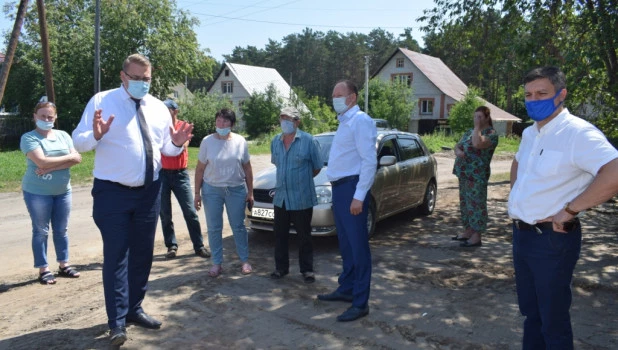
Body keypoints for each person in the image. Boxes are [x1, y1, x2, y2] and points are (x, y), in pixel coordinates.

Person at [72, 54, 194, 346]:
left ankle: (134, 309)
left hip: (149, 191)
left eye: (147, 78)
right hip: (112, 192)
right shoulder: (102, 101)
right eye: (136, 78)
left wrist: (176, 144)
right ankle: (116, 323)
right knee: (117, 255)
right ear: (123, 76)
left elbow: (166, 149)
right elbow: (78, 141)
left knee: (142, 253)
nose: (142, 83)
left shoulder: (158, 109)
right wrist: (96, 135)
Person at [508, 66, 618, 349]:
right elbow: (518, 161)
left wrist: (570, 209)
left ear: (561, 94)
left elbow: (614, 171)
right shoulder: (532, 133)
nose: (534, 100)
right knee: (531, 315)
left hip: (552, 240)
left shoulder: (577, 133)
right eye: (529, 95)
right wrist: (518, 194)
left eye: (542, 93)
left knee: (552, 321)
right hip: (522, 235)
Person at [317, 80, 377, 322]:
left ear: (351, 97)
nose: (334, 99)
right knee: (346, 245)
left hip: (352, 189)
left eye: (337, 94)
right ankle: (347, 289)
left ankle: (360, 302)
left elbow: (369, 161)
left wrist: (359, 196)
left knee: (359, 247)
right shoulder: (345, 122)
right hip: (340, 190)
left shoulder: (361, 120)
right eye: (333, 94)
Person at [21, 100, 82, 285]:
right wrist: (66, 158)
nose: (46, 119)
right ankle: (43, 269)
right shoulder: (29, 138)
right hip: (37, 192)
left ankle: (64, 265)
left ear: (55, 118)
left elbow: (77, 159)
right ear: (35, 117)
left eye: (50, 116)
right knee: (41, 231)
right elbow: (41, 162)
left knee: (61, 230)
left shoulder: (63, 135)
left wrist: (50, 168)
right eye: (42, 116)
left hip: (63, 191)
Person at [194, 108, 254, 278]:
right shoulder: (207, 142)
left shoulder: (240, 141)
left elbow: (247, 168)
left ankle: (244, 260)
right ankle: (217, 263)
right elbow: (199, 169)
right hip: (212, 190)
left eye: (226, 121)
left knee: (238, 226)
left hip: (235, 189)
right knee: (214, 228)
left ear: (232, 124)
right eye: (219, 120)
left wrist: (250, 192)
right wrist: (197, 193)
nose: (221, 124)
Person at [269, 106, 323, 283]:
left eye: (288, 119)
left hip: (301, 197)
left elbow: (316, 167)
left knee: (304, 236)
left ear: (297, 122)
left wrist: (301, 180)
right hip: (281, 198)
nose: (284, 122)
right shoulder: (275, 141)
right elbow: (277, 164)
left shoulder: (308, 141)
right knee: (280, 235)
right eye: (282, 118)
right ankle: (281, 268)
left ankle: (307, 270)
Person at [159, 98, 210, 259]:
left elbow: (184, 144)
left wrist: (177, 142)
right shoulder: (159, 128)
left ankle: (199, 246)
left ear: (175, 111)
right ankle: (171, 246)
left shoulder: (183, 127)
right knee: (165, 213)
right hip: (162, 175)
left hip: (180, 175)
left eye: (167, 109)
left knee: (190, 212)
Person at [451, 106, 498, 247]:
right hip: (464, 172)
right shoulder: (469, 132)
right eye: (475, 117)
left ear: (487, 118)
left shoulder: (491, 134)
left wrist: (477, 127)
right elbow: (457, 145)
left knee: (476, 204)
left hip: (477, 175)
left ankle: (477, 236)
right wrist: (458, 151)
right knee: (465, 203)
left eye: (479, 117)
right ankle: (468, 230)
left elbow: (477, 143)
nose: (476, 120)